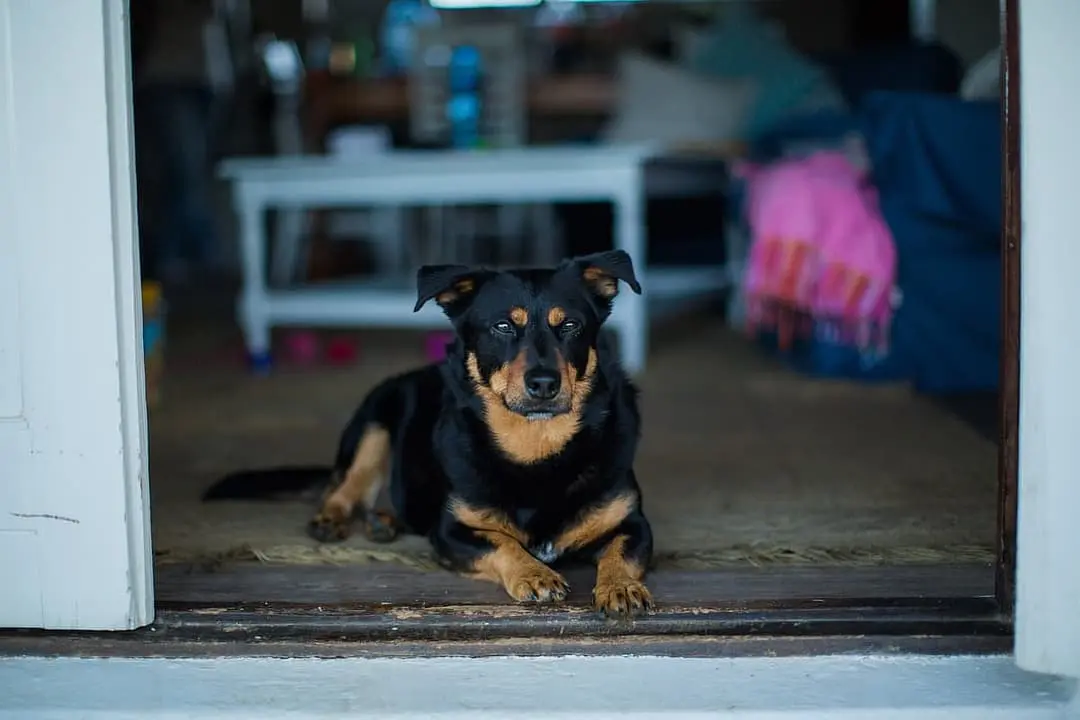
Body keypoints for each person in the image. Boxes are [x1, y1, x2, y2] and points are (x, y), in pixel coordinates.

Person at [133, 0, 235, 285]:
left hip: (207, 77)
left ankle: (184, 262)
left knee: (191, 170)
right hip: (169, 76)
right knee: (184, 171)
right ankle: (187, 262)